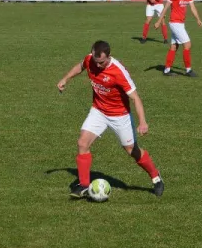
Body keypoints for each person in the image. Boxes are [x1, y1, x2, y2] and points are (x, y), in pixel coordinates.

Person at [57, 40, 164, 198]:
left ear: (109, 56)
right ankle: (84, 185)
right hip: (98, 111)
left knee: (131, 150)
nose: (98, 65)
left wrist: (142, 122)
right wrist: (65, 79)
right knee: (82, 143)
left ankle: (156, 177)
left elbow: (135, 98)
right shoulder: (90, 60)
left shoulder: (118, 72)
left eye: (101, 62)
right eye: (95, 61)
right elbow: (81, 65)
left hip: (120, 116)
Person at [154, 0, 202, 77]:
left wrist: (198, 19)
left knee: (174, 47)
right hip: (175, 23)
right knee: (187, 45)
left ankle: (167, 70)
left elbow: (193, 7)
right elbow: (166, 8)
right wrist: (159, 21)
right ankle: (188, 70)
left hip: (181, 23)